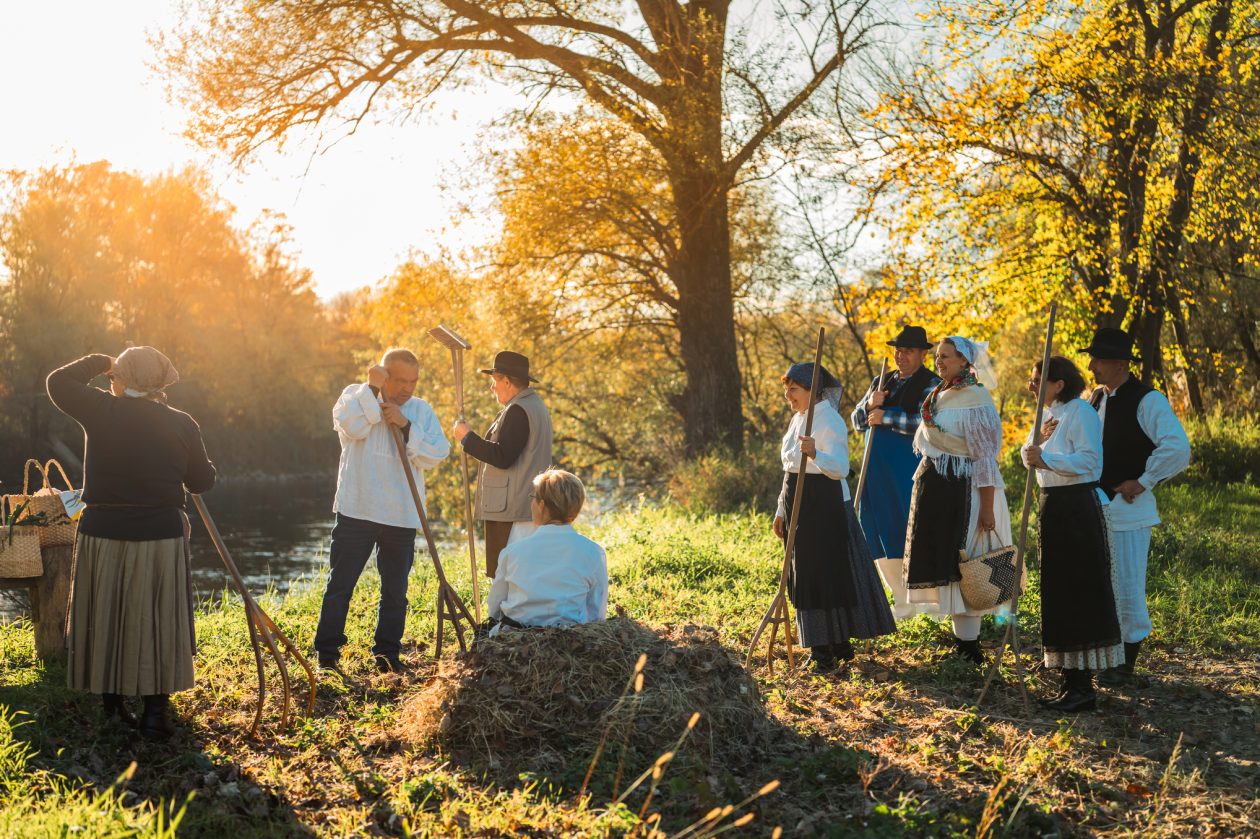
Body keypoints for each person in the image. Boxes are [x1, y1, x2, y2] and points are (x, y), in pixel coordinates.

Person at [47, 348, 216, 739]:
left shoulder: (101, 408)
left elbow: (57, 382)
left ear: (120, 378)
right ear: (160, 380)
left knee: (106, 611)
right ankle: (155, 714)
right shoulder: (183, 423)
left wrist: (101, 362)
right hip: (161, 534)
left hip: (103, 530)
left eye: (114, 376)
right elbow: (202, 482)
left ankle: (112, 702)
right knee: (157, 617)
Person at [314, 348, 449, 674]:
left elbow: (437, 453)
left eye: (413, 381)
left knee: (395, 592)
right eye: (400, 380)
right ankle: (327, 656)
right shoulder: (354, 396)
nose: (407, 388)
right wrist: (374, 396)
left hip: (401, 513)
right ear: (384, 376)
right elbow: (353, 428)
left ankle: (387, 656)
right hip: (358, 508)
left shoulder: (421, 410)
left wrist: (405, 426)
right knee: (340, 585)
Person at [1081, 328, 1190, 685]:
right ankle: (1104, 654)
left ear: (1119, 364)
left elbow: (1177, 447)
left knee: (1127, 584)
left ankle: (1124, 664)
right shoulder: (1096, 399)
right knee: (1100, 583)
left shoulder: (1148, 400)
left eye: (1098, 359)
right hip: (1096, 505)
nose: (1092, 365)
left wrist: (1143, 480)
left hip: (1129, 509)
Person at [774, 363, 896, 672]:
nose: (788, 395)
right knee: (808, 574)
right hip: (797, 501)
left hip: (824, 504)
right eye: (786, 389)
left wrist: (815, 453)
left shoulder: (829, 419)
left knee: (823, 575)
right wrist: (780, 510)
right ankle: (836, 644)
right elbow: (789, 469)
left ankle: (824, 651)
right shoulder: (797, 418)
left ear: (812, 390)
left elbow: (840, 468)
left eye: (794, 389)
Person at [899, 336, 1013, 664]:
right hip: (940, 489)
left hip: (970, 491)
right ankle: (962, 642)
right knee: (950, 564)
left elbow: (985, 457)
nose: (939, 362)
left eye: (945, 356)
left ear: (964, 361)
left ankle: (971, 646)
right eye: (937, 356)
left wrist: (988, 508)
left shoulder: (975, 398)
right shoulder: (940, 395)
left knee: (969, 565)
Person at [1022, 356, 1124, 711]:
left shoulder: (1080, 413)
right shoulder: (1048, 415)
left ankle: (1083, 689)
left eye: (1036, 380)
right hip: (1053, 506)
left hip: (1078, 508)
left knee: (1079, 593)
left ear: (1059, 383)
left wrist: (1046, 460)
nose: (1030, 385)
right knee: (1059, 594)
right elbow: (1028, 454)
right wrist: (1036, 445)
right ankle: (1069, 681)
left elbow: (1090, 462)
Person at [851, 325, 941, 592]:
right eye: (898, 351)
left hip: (907, 469)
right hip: (875, 471)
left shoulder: (932, 384)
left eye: (908, 351)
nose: (901, 356)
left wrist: (885, 418)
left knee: (910, 525)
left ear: (923, 354)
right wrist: (869, 405)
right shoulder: (881, 382)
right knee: (879, 525)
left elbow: (929, 423)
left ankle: (924, 594)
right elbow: (856, 422)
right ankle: (898, 595)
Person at [453, 350, 553, 580]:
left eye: (494, 381)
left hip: (513, 509)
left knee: (509, 574)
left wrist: (467, 438)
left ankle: (506, 616)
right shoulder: (532, 406)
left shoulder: (518, 410)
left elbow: (503, 456)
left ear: (506, 381)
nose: (492, 388)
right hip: (524, 505)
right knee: (521, 573)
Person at [486, 468, 607, 632]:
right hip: (569, 642)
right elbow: (596, 612)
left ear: (542, 505)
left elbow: (495, 607)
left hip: (514, 639)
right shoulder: (593, 552)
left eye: (533, 498)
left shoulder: (512, 552)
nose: (531, 503)